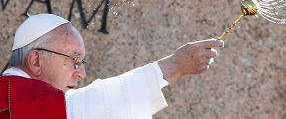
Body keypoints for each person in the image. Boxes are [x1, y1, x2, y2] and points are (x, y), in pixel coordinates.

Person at [0, 13, 224, 119]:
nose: (81, 72)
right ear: (36, 61)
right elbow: (98, 104)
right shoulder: (14, 98)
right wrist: (175, 65)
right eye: (74, 60)